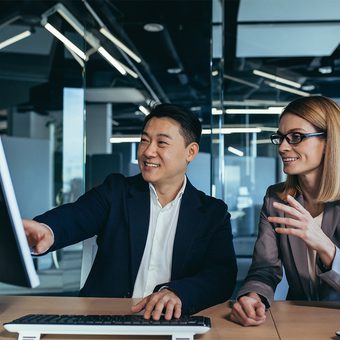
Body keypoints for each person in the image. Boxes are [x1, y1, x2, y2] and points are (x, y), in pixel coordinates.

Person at [24, 103, 237, 320]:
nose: (148, 151)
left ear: (190, 152)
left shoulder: (212, 213)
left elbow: (221, 275)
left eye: (161, 143)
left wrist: (178, 293)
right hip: (105, 320)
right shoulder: (116, 192)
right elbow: (77, 215)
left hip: (174, 322)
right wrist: (47, 230)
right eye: (144, 140)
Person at [230, 95, 340, 326]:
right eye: (280, 137)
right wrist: (253, 297)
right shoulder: (276, 198)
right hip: (301, 322)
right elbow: (264, 270)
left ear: (329, 141)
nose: (282, 147)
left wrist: (326, 248)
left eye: (296, 137)